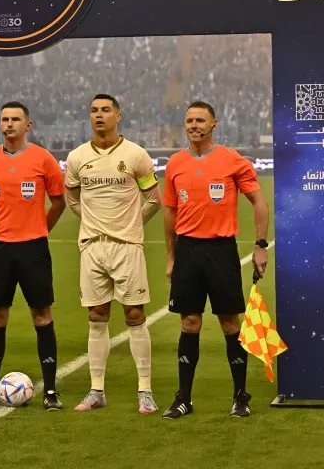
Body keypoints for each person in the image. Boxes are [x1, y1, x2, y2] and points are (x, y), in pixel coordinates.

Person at [161, 101, 270, 419]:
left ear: (213, 124)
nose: (194, 125)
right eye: (189, 120)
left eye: (200, 120)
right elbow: (170, 212)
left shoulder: (233, 161)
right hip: (187, 251)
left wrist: (260, 245)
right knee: (189, 322)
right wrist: (170, 257)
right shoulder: (175, 164)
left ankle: (240, 396)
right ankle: (184, 398)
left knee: (229, 323)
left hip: (222, 251)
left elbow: (259, 202)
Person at [64, 94, 162, 414]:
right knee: (96, 317)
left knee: (134, 315)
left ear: (118, 116)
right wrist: (93, 225)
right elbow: (73, 198)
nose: (99, 115)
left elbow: (154, 199)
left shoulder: (135, 154)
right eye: (94, 111)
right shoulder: (78, 157)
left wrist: (131, 224)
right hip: (92, 247)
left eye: (105, 110)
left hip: (127, 246)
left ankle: (144, 391)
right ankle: (96, 390)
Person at [0, 102, 67, 411]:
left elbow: (58, 202)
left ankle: (50, 391)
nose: (9, 123)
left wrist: (39, 230)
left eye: (16, 119)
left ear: (29, 125)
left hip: (33, 248)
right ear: (0, 124)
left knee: (42, 314)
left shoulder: (43, 159)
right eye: (5, 119)